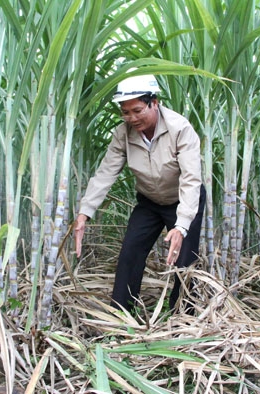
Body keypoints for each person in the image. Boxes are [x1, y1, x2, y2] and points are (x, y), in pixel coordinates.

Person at [73, 74, 205, 314]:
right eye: (125, 112)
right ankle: (121, 313)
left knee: (184, 260)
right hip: (150, 201)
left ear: (154, 103)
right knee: (130, 253)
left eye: (137, 110)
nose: (131, 118)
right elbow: (105, 173)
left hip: (183, 200)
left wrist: (182, 225)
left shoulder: (179, 129)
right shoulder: (123, 133)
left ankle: (183, 316)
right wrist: (84, 213)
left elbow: (191, 178)